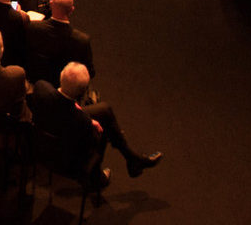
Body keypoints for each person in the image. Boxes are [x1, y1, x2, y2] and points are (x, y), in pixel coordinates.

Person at [29, 62, 162, 182]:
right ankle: (98, 177)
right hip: (68, 162)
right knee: (105, 129)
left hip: (39, 148)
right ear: (81, 93)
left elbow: (63, 106)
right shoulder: (82, 121)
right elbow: (92, 144)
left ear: (61, 76)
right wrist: (91, 124)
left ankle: (132, 159)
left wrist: (86, 119)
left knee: (104, 110)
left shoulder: (41, 88)